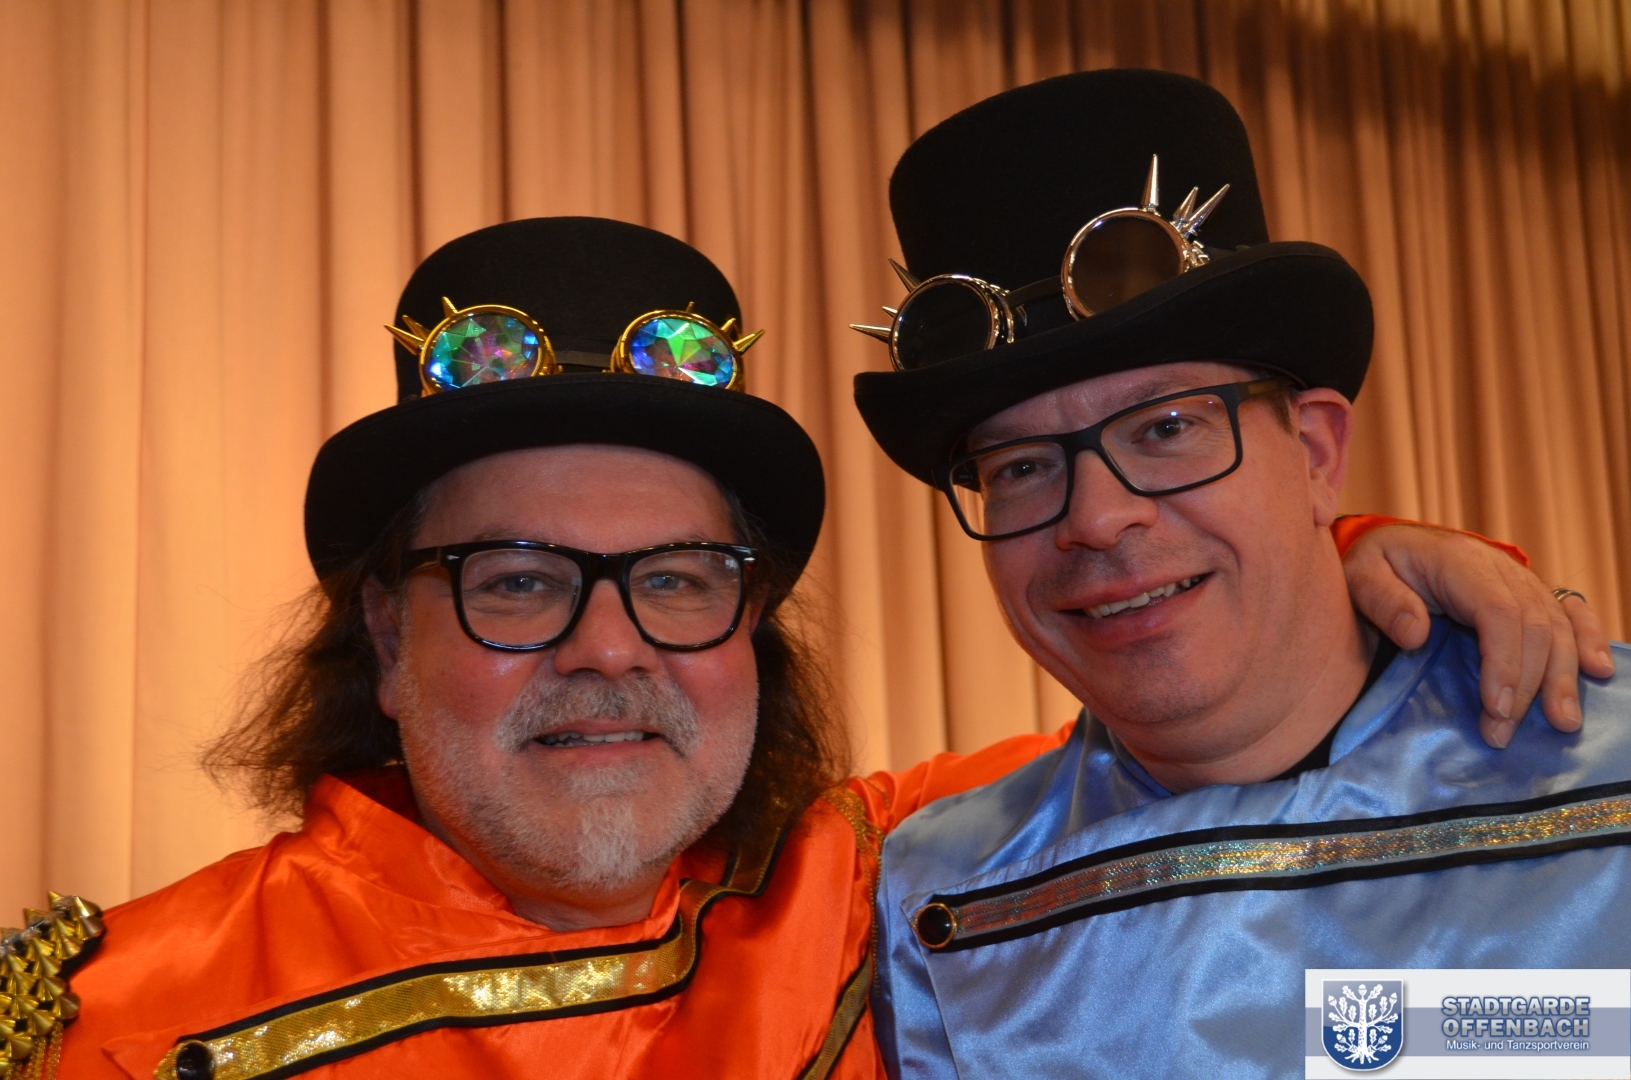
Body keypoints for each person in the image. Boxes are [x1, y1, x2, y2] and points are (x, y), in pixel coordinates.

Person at [28, 216, 1595, 1080]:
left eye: (676, 581)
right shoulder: (123, 1020)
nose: (607, 650)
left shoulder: (880, 891)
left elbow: (1220, 708)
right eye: (515, 582)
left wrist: (1355, 562)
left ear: (751, 634)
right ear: (385, 632)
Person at [853, 70, 1629, 1079]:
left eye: (1165, 427)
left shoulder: (1603, 781)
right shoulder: (937, 896)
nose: (1095, 519)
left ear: (1313, 453)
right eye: (1020, 469)